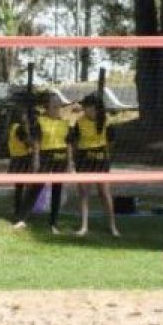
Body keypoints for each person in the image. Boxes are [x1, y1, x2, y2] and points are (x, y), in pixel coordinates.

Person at [12, 89, 72, 234]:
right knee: (36, 187)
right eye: (54, 106)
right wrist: (36, 160)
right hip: (45, 156)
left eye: (59, 106)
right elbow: (37, 142)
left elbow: (69, 144)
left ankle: (54, 223)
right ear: (47, 107)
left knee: (57, 189)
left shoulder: (65, 123)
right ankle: (22, 219)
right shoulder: (40, 122)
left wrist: (70, 163)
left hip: (61, 157)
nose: (57, 109)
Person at [71, 93, 120, 237]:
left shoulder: (106, 121)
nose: (86, 111)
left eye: (90, 108)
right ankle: (83, 227)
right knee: (84, 193)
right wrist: (74, 161)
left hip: (101, 160)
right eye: (85, 108)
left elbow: (111, 141)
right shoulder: (79, 122)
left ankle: (112, 227)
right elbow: (73, 142)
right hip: (84, 159)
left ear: (97, 109)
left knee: (104, 193)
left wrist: (104, 154)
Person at [6, 109, 34, 221]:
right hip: (22, 159)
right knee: (24, 187)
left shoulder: (11, 127)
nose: (26, 117)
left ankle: (18, 209)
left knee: (19, 187)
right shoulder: (20, 128)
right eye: (24, 115)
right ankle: (21, 211)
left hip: (15, 159)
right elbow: (28, 144)